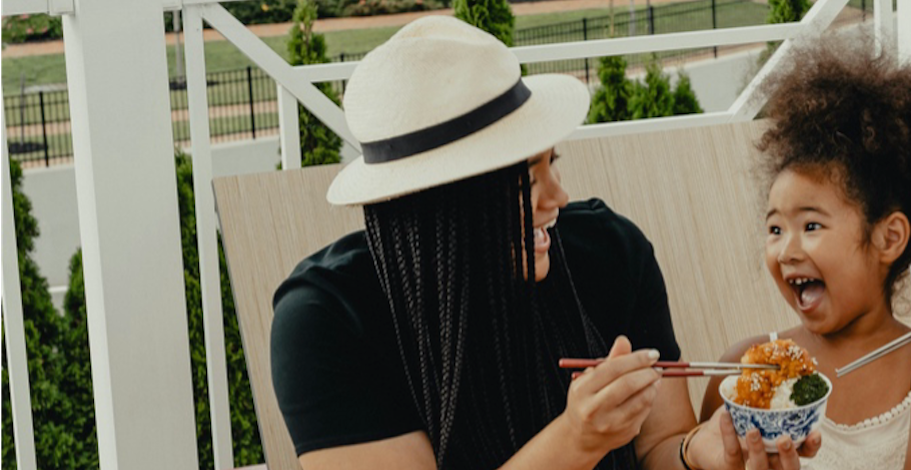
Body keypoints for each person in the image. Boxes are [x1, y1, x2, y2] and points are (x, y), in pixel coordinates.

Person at [271, 16, 815, 470]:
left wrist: (706, 453)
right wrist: (576, 440)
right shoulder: (327, 321)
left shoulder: (610, 251)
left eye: (551, 162)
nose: (558, 196)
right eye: (529, 179)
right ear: (440, 202)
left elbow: (656, 448)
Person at [691, 39, 911, 470]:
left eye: (811, 226)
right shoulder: (742, 372)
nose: (786, 250)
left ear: (888, 238)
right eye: (775, 228)